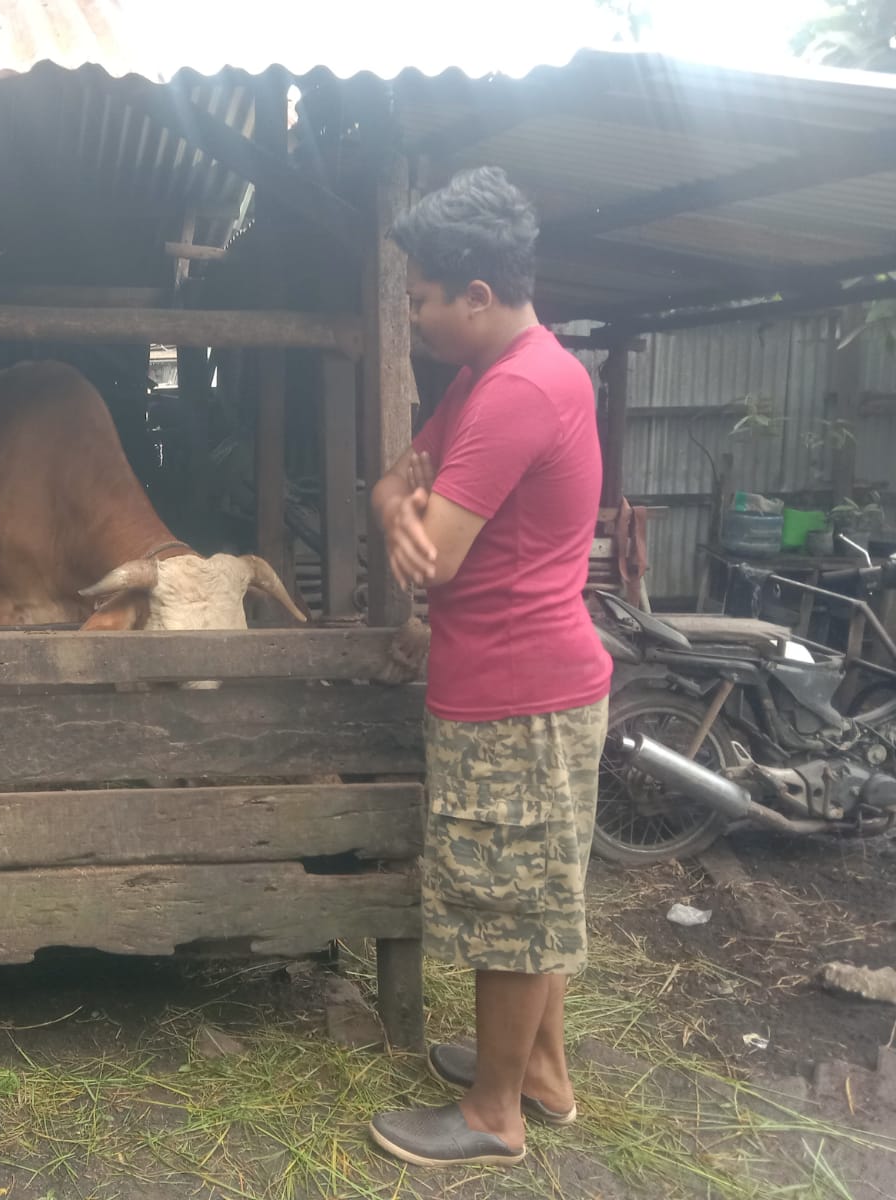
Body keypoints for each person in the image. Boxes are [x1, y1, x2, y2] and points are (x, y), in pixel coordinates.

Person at [366, 166, 612, 1167]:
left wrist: (411, 514)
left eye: (421, 299)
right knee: (532, 891)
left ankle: (492, 1113)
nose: (414, 317)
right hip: (516, 682)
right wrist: (395, 504)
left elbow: (442, 550)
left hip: (518, 692)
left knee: (511, 907)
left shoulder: (514, 391)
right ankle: (540, 1073)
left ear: (476, 295)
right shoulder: (484, 379)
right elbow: (394, 486)